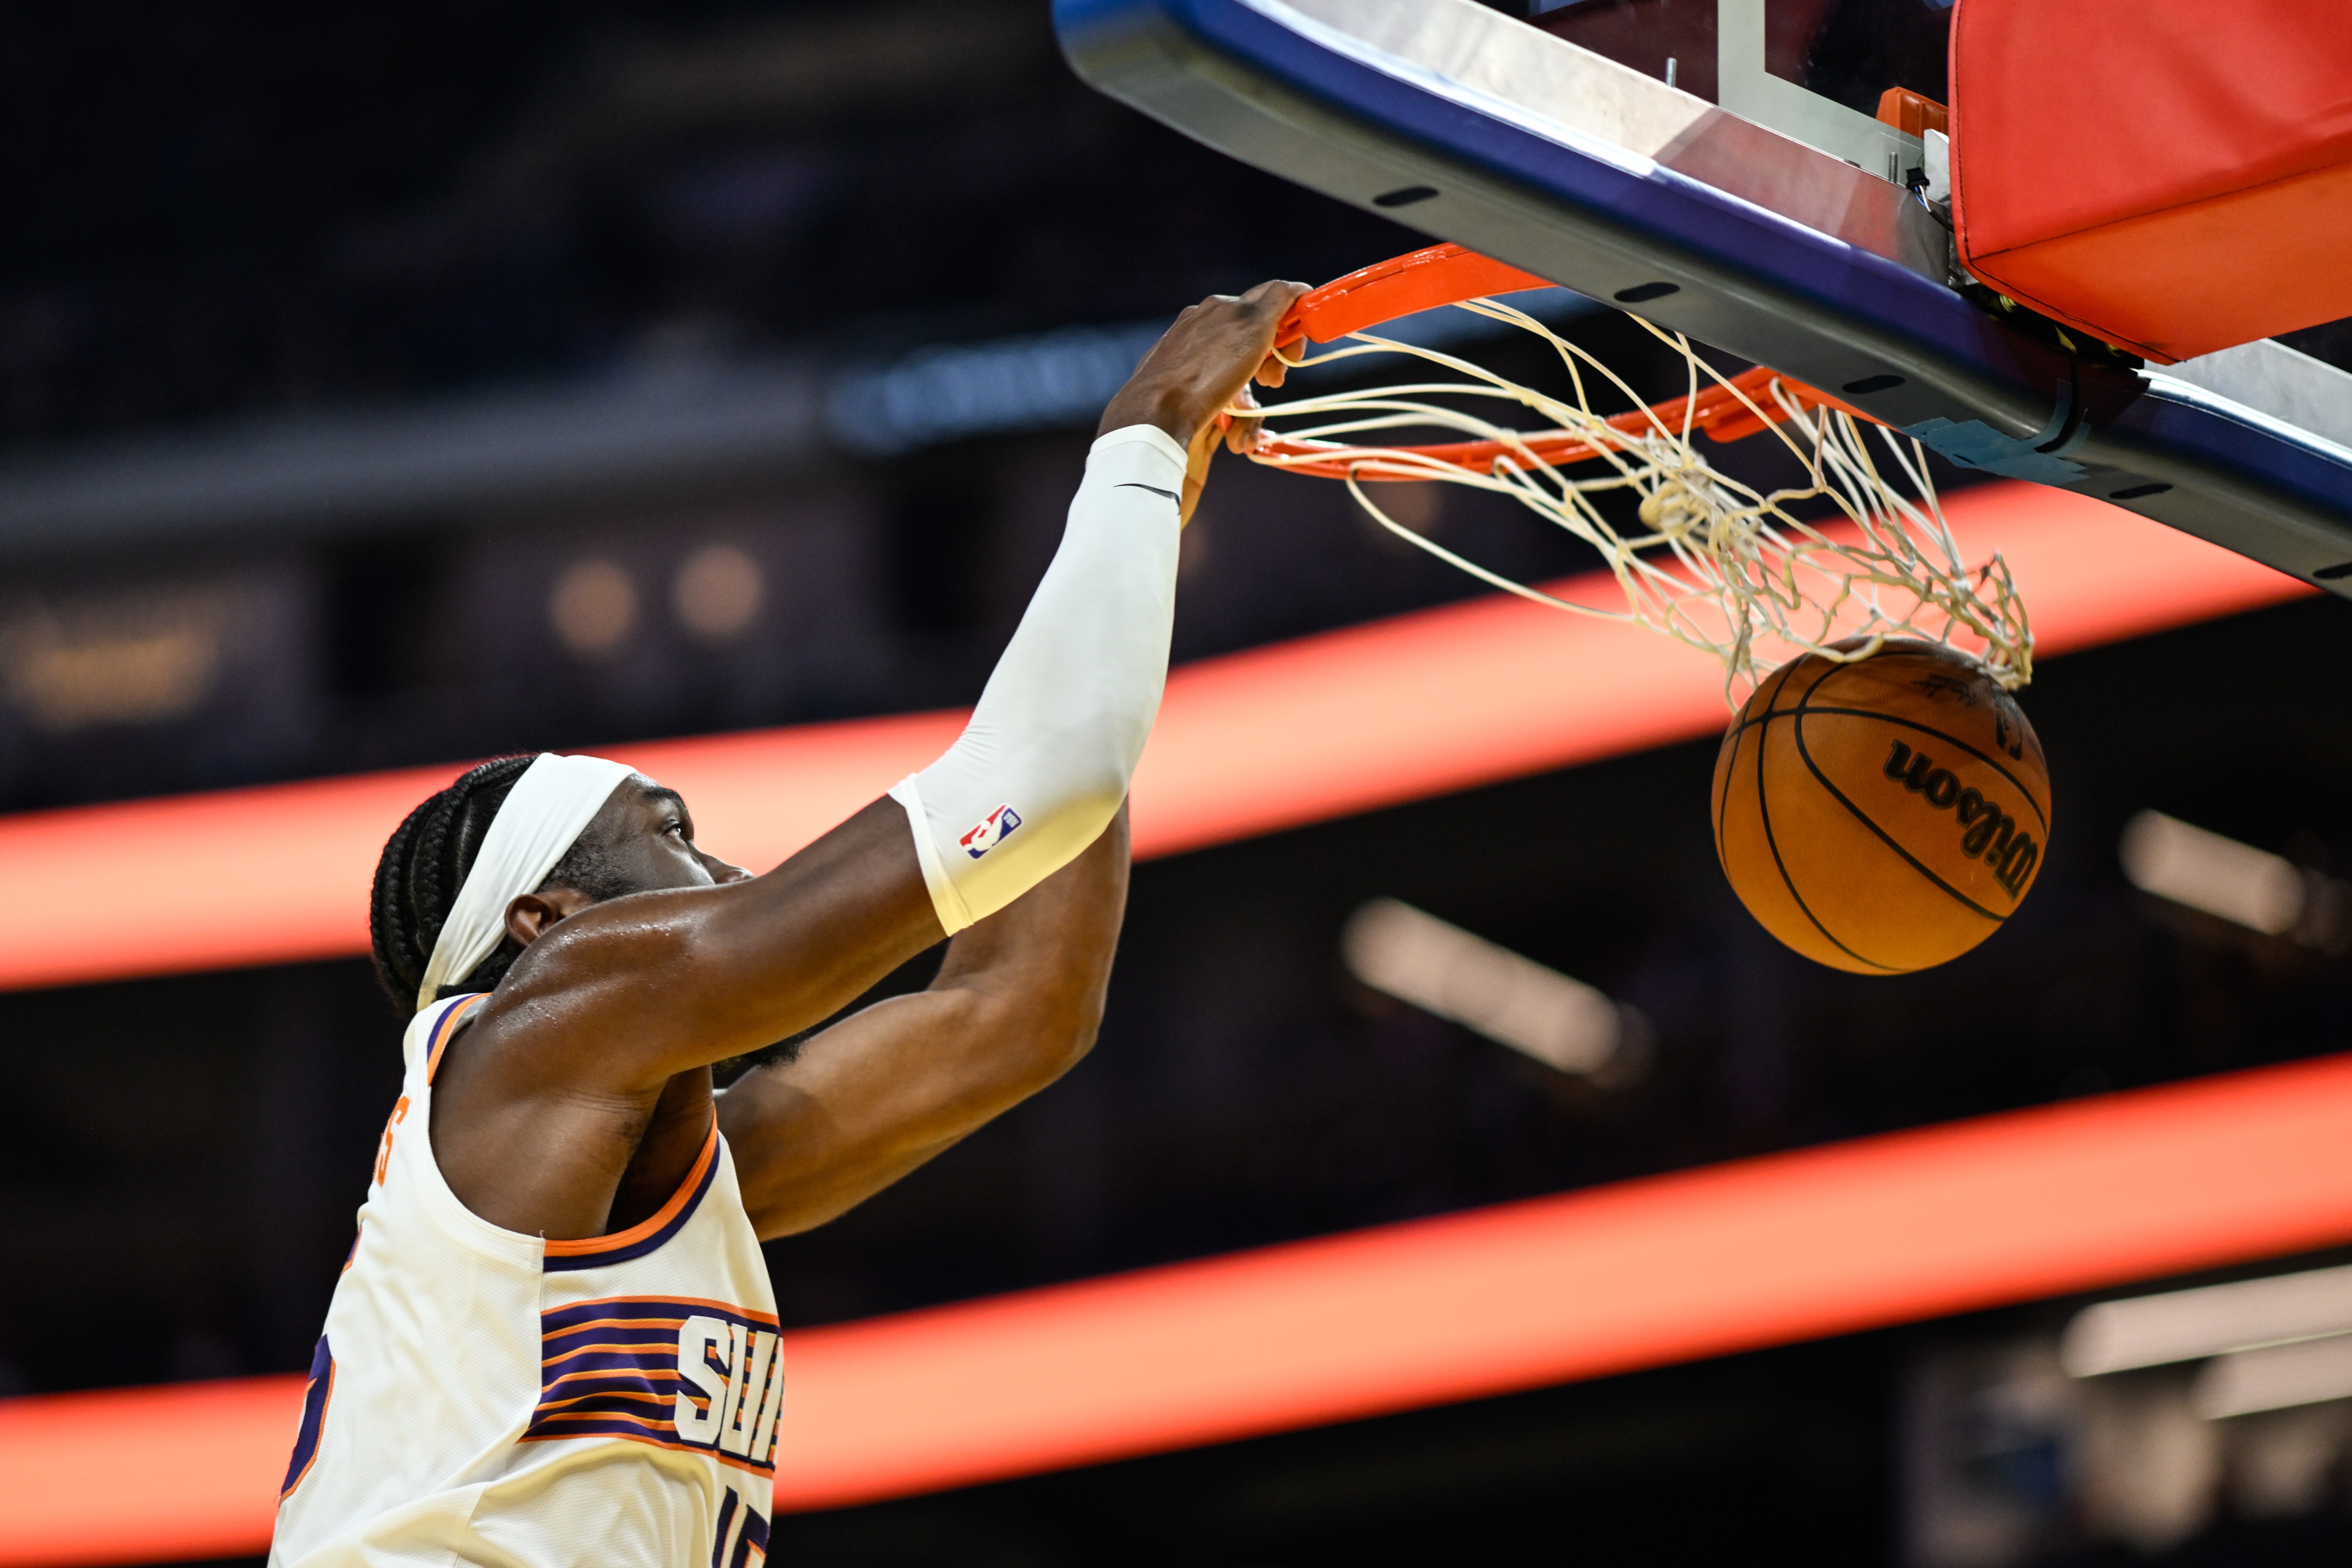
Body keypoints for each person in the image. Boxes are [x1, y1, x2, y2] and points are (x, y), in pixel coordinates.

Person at [267, 279, 1309, 1568]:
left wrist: (1117, 582)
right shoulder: (554, 1010)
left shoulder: (661, 1164)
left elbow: (1018, 1007)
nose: (728, 868)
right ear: (549, 919)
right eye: (673, 833)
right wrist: (1139, 442)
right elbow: (1031, 783)